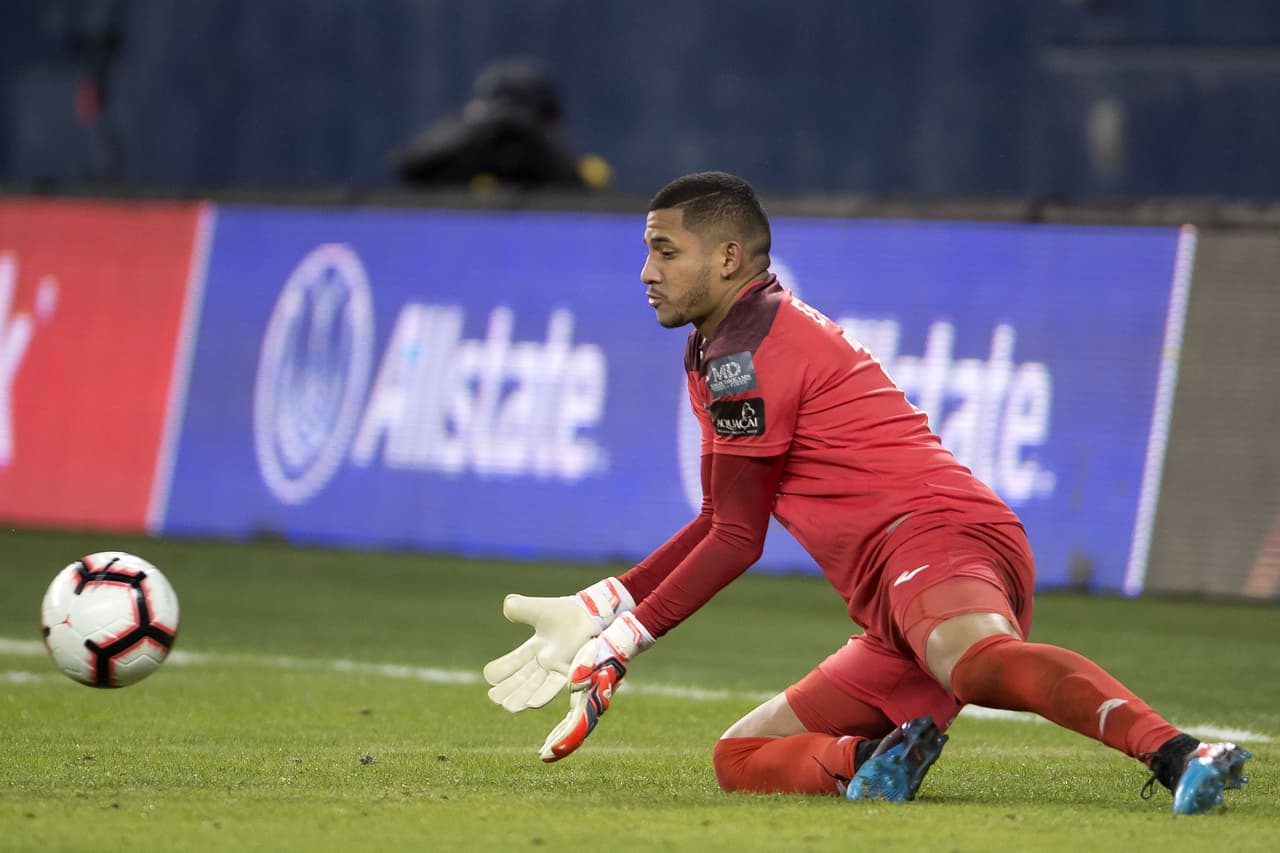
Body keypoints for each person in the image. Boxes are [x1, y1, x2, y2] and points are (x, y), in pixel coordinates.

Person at [482, 172, 1252, 814]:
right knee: (742, 756)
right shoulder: (720, 347)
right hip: (891, 601)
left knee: (974, 664)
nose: (647, 272)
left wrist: (623, 641)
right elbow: (721, 516)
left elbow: (738, 541)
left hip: (935, 536)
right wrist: (603, 603)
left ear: (724, 257)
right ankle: (876, 761)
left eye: (663, 251)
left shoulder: (742, 356)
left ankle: (1181, 751)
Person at [389, 58, 608, 192]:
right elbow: (410, 168)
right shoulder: (465, 166)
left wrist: (532, 138)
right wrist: (474, 126)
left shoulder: (586, 169)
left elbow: (586, 195)